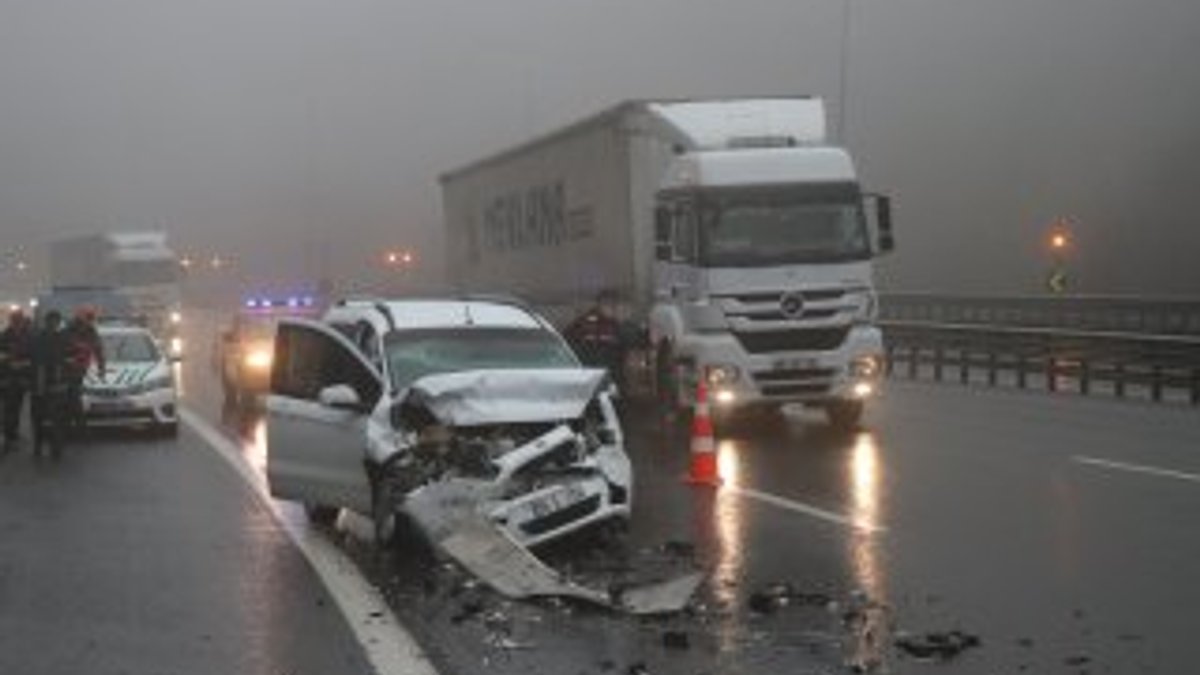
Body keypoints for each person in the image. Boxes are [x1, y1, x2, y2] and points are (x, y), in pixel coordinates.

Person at [563, 290, 628, 392]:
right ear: (600, 305)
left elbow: (622, 347)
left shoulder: (615, 325)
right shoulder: (584, 322)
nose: (613, 309)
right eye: (609, 305)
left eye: (614, 306)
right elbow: (567, 341)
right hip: (591, 374)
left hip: (609, 374)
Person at [31, 310, 71, 457]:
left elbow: (69, 358)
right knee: (40, 418)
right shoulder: (39, 338)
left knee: (54, 419)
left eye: (55, 322)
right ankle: (40, 446)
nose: (53, 324)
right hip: (43, 385)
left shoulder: (61, 338)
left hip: (53, 385)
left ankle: (53, 447)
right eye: (52, 321)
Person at [63, 306, 106, 431]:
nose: (89, 321)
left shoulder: (91, 331)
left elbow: (99, 351)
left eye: (91, 319)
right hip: (67, 368)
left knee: (74, 395)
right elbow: (61, 347)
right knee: (71, 395)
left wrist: (101, 368)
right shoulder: (68, 330)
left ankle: (77, 422)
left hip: (81, 368)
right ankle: (77, 423)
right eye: (88, 318)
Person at [1, 309, 35, 449]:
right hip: (8, 378)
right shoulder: (4, 336)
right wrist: (8, 361)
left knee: (17, 407)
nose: (18, 322)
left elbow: (32, 354)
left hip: (22, 378)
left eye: (19, 320)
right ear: (12, 321)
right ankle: (9, 436)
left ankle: (12, 433)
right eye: (16, 320)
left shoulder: (27, 335)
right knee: (9, 408)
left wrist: (27, 363)